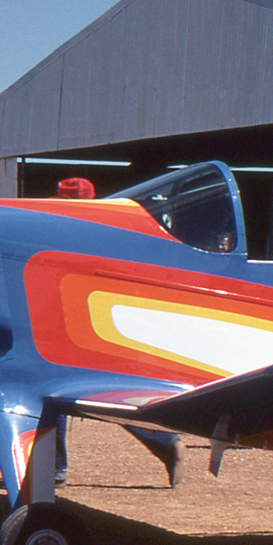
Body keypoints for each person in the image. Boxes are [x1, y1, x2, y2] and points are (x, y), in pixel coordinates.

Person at [51, 176, 184, 487]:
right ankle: (165, 442)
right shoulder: (109, 230)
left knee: (54, 393)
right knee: (106, 393)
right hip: (105, 321)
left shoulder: (62, 231)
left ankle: (54, 466)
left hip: (68, 321)